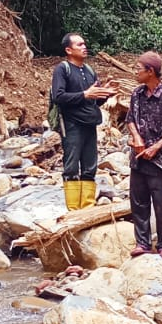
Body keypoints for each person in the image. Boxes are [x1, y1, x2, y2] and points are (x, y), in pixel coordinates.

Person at [50, 33, 116, 210]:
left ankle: (86, 207)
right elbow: (58, 96)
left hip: (89, 123)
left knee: (90, 165)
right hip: (71, 124)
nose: (84, 46)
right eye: (79, 44)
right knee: (71, 166)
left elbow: (93, 100)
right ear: (68, 50)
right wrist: (85, 94)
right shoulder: (63, 69)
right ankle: (73, 210)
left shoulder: (89, 70)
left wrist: (104, 93)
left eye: (84, 44)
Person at [126, 51, 162, 260]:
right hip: (138, 158)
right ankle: (142, 242)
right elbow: (130, 120)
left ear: (151, 72)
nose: (135, 72)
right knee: (138, 202)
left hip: (159, 162)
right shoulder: (137, 94)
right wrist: (137, 138)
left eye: (138, 69)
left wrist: (155, 147)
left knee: (160, 204)